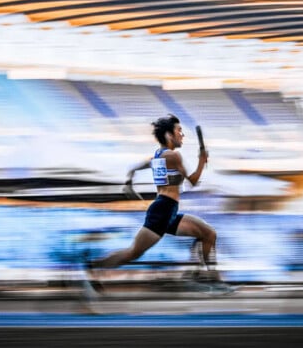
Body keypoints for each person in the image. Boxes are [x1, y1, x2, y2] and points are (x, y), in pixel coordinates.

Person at [89, 114, 218, 279]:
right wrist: (201, 161)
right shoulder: (173, 156)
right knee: (132, 253)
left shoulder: (158, 155)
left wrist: (129, 181)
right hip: (163, 211)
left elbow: (136, 167)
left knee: (208, 234)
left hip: (167, 210)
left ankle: (205, 275)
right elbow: (192, 181)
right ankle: (92, 267)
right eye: (179, 130)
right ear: (168, 135)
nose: (182, 134)